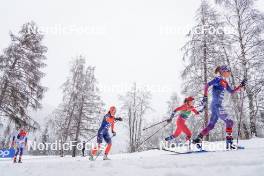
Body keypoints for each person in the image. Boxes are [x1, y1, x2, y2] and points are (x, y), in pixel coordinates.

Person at [193, 65, 246, 149]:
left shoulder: (225, 82)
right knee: (230, 122)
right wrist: (205, 96)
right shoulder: (218, 79)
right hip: (216, 105)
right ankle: (229, 144)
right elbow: (207, 85)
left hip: (215, 106)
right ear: (223, 71)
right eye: (228, 71)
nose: (229, 73)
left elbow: (231, 91)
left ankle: (197, 139)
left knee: (211, 125)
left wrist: (240, 86)